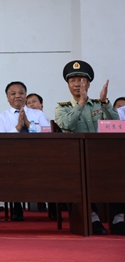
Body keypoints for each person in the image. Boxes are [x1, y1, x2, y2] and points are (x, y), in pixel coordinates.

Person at [54, 60, 122, 235]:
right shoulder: (62, 108)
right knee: (81, 175)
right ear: (68, 85)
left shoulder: (100, 104)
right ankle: (93, 217)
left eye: (81, 80)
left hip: (102, 156)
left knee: (119, 168)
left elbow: (116, 124)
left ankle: (119, 218)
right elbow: (67, 125)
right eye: (73, 80)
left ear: (89, 83)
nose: (77, 84)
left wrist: (105, 102)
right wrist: (81, 104)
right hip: (76, 159)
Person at [0, 81, 49, 221]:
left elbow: (47, 134)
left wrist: (29, 124)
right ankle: (16, 206)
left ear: (26, 95)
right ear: (8, 98)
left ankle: (52, 207)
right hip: (13, 157)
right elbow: (1, 141)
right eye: (13, 94)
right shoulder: (2, 117)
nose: (17, 96)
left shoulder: (38, 114)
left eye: (21, 93)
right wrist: (18, 127)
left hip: (37, 156)